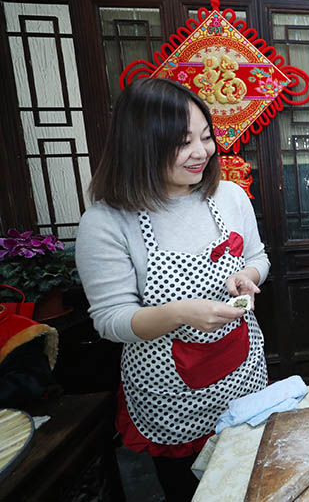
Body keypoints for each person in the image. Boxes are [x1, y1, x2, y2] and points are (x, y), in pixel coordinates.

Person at [75, 78, 269, 502]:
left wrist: (249, 276)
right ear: (141, 145)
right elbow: (111, 320)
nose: (202, 152)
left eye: (206, 136)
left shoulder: (230, 196)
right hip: (169, 393)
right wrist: (181, 313)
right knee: (191, 491)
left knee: (252, 482)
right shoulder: (107, 223)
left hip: (242, 373)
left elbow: (258, 256)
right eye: (183, 143)